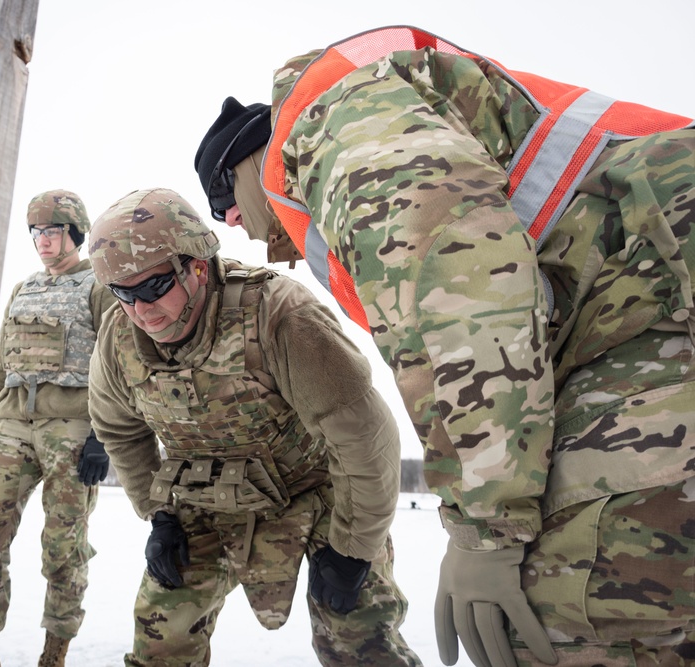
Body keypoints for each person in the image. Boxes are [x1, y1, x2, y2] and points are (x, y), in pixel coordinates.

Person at [194, 25, 695, 667]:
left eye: (223, 203)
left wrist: (486, 529)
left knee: (561, 602)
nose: (233, 225)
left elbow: (461, 287)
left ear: (246, 166)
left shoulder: (339, 121)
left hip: (656, 280)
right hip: (642, 295)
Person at [86, 187, 421, 666]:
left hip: (313, 490)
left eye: (153, 288)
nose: (140, 310)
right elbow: (118, 429)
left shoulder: (278, 315)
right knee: (161, 638)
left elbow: (364, 438)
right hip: (200, 499)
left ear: (197, 266)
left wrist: (355, 548)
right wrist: (158, 512)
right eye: (123, 293)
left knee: (359, 637)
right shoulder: (118, 338)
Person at [0, 189, 118, 667]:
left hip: (70, 430)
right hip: (13, 427)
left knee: (63, 546)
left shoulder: (99, 287)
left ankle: (55, 653)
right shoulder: (24, 288)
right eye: (36, 233)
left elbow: (116, 365)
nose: (43, 241)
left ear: (74, 234)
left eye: (52, 231)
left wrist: (102, 436)